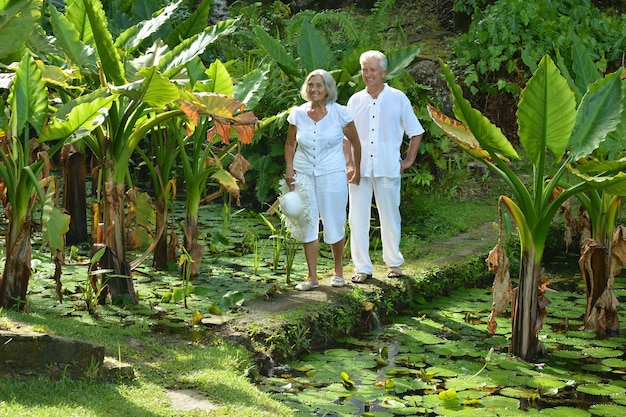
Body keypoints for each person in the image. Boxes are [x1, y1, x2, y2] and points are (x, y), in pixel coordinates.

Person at [345, 50, 424, 283]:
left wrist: (408, 160)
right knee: (357, 218)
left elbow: (416, 131)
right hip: (358, 168)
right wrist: (349, 163)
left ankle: (393, 263)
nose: (367, 74)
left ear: (383, 72)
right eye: (364, 70)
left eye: (372, 70)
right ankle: (362, 267)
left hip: (388, 166)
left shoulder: (398, 98)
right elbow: (345, 137)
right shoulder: (355, 100)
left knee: (389, 216)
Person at [284, 69, 362, 291]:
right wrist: (290, 169)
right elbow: (290, 144)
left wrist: (354, 167)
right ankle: (312, 277)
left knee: (334, 219)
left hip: (332, 174)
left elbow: (356, 142)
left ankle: (338, 271)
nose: (314, 89)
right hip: (304, 173)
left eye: (319, 85)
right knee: (307, 221)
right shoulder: (297, 113)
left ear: (328, 89)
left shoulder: (341, 113)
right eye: (311, 85)